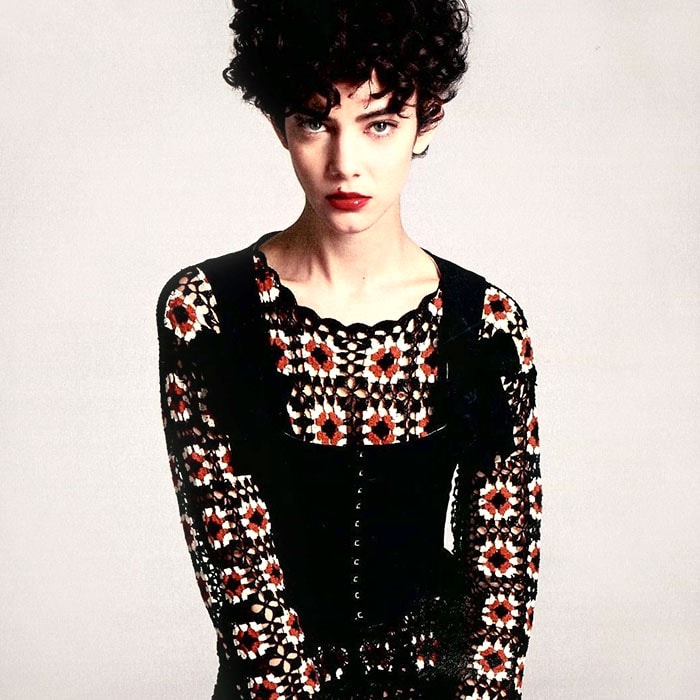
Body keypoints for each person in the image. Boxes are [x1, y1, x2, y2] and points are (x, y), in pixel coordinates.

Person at [157, 1, 541, 698]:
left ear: (427, 120)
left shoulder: (486, 324)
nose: (345, 164)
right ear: (279, 124)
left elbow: (501, 581)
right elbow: (241, 580)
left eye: (380, 124)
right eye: (315, 122)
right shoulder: (206, 310)